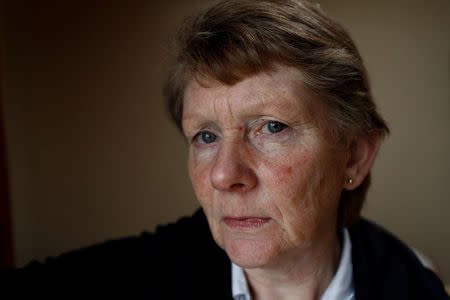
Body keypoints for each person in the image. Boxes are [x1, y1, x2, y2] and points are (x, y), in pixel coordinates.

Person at [1, 0, 448, 299]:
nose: (223, 174)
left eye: (271, 127)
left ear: (354, 157)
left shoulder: (416, 287)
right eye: (206, 136)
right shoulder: (130, 278)